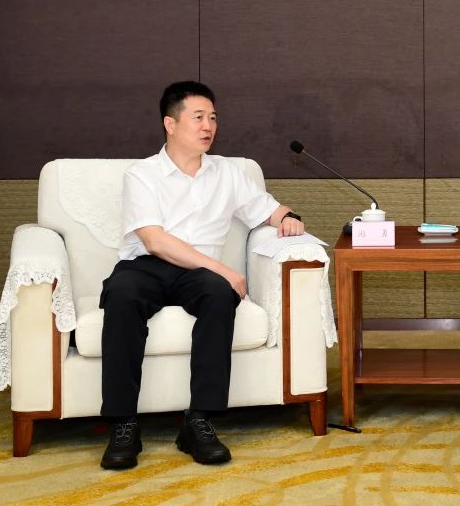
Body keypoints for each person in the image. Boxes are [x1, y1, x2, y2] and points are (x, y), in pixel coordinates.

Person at [99, 81, 306, 470]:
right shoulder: (142, 174)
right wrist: (223, 269)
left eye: (212, 118)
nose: (208, 126)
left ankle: (198, 422)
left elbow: (269, 209)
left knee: (218, 295)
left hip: (198, 275)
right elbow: (155, 241)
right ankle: (123, 423)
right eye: (198, 117)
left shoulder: (228, 172)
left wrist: (289, 218)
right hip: (148, 264)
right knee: (122, 295)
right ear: (170, 124)